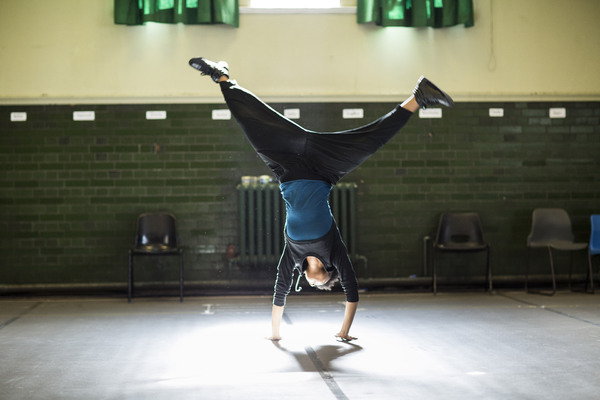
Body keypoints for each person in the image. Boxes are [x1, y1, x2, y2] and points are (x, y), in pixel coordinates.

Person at [188, 57, 454, 342]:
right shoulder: (334, 251)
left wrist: (275, 334)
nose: (313, 286)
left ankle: (223, 78)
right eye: (321, 286)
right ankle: (418, 97)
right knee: (370, 141)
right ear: (327, 275)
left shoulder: (293, 256)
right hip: (324, 167)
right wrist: (343, 332)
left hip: (286, 166)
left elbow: (280, 291)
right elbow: (352, 293)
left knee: (251, 123)